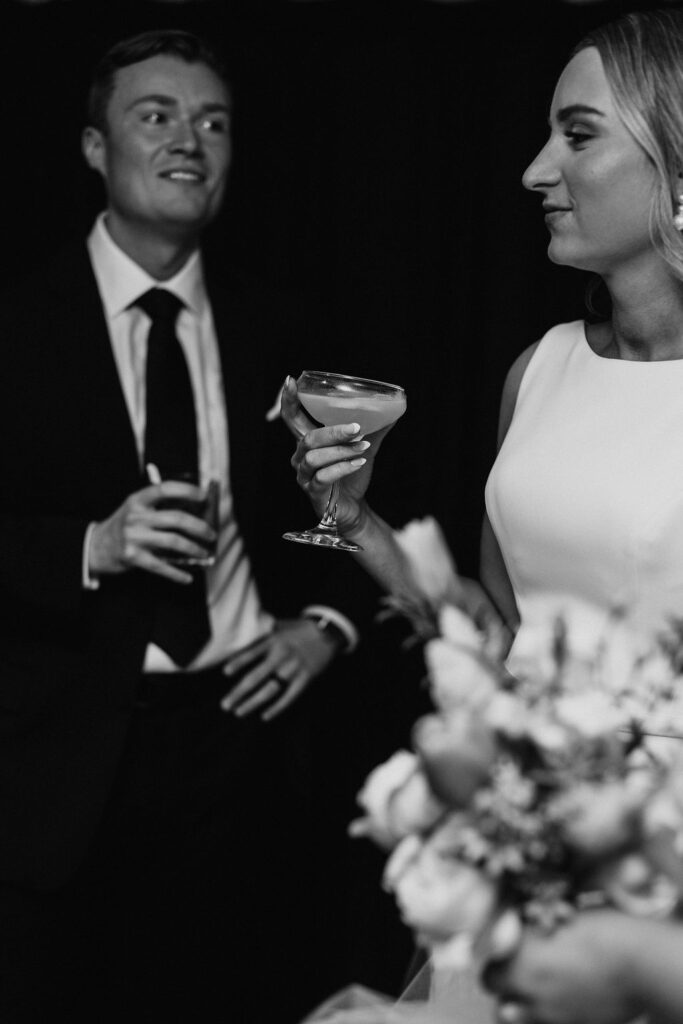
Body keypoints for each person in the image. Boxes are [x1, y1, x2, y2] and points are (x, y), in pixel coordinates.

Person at [282, 6, 683, 1023]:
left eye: (577, 133)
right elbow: (502, 639)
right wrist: (356, 519)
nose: (534, 170)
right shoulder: (537, 370)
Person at [0, 28, 376, 1024]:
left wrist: (327, 626)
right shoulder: (18, 327)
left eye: (212, 122)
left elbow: (363, 509)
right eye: (155, 115)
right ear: (94, 148)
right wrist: (91, 545)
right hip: (62, 769)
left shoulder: (285, 327)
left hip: (246, 752)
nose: (188, 141)